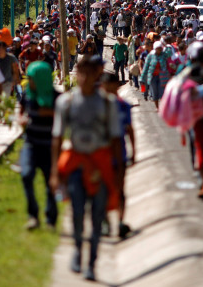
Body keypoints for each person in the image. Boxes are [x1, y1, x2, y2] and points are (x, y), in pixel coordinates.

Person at [50, 56, 122, 281]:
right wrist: (55, 172)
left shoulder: (108, 103)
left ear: (97, 74)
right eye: (82, 71)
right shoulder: (66, 102)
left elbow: (116, 140)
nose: (86, 76)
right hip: (76, 164)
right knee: (78, 211)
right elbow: (57, 137)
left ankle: (92, 262)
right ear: (78, 72)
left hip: (100, 164)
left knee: (98, 215)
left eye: (91, 71)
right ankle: (78, 249)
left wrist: (118, 173)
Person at [19, 61, 59, 230]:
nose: (29, 81)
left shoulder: (56, 98)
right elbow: (21, 112)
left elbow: (65, 119)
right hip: (31, 144)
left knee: (50, 183)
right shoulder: (28, 95)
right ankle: (33, 215)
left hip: (50, 146)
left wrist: (49, 112)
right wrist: (21, 119)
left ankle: (51, 218)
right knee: (26, 175)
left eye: (32, 78)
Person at [101, 72, 136, 239]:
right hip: (101, 154)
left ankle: (121, 221)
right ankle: (105, 222)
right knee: (103, 190)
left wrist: (134, 151)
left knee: (120, 190)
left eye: (111, 87)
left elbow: (130, 129)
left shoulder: (123, 106)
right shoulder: (97, 106)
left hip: (119, 154)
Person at [140, 41, 172, 109]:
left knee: (162, 93)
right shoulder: (150, 56)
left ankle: (162, 108)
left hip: (162, 77)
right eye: (158, 48)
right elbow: (146, 67)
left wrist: (165, 44)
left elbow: (170, 53)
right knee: (155, 93)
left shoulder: (164, 55)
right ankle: (157, 108)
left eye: (160, 48)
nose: (160, 50)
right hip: (153, 77)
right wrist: (142, 77)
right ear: (155, 49)